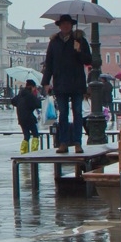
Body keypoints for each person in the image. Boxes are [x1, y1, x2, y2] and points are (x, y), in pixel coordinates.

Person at [40, 14, 94, 154]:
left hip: (76, 82)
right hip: (61, 83)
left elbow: (88, 60)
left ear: (71, 25)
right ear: (60, 26)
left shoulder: (79, 40)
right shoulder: (54, 42)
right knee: (63, 114)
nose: (66, 26)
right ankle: (63, 142)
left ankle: (77, 142)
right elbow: (49, 63)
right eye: (63, 24)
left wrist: (79, 51)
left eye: (68, 24)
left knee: (77, 113)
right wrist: (46, 82)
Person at [13, 78, 42, 151]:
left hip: (21, 118)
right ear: (32, 87)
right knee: (35, 134)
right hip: (29, 118)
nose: (34, 89)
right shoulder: (30, 95)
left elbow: (13, 101)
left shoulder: (20, 94)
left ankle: (23, 151)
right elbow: (38, 104)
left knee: (26, 136)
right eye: (34, 87)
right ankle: (34, 151)